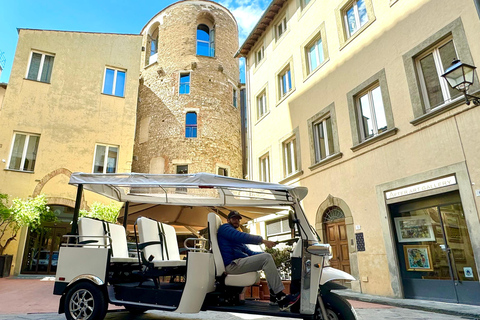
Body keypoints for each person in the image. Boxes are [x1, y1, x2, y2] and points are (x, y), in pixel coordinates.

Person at [217, 210, 300, 311]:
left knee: (266, 257)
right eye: (234, 218)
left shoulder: (235, 238)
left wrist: (267, 256)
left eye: (238, 219)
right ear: (228, 220)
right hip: (232, 265)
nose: (236, 221)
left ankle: (274, 297)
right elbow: (242, 237)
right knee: (266, 258)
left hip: (238, 263)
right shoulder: (225, 228)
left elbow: (249, 252)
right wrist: (263, 241)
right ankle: (280, 296)